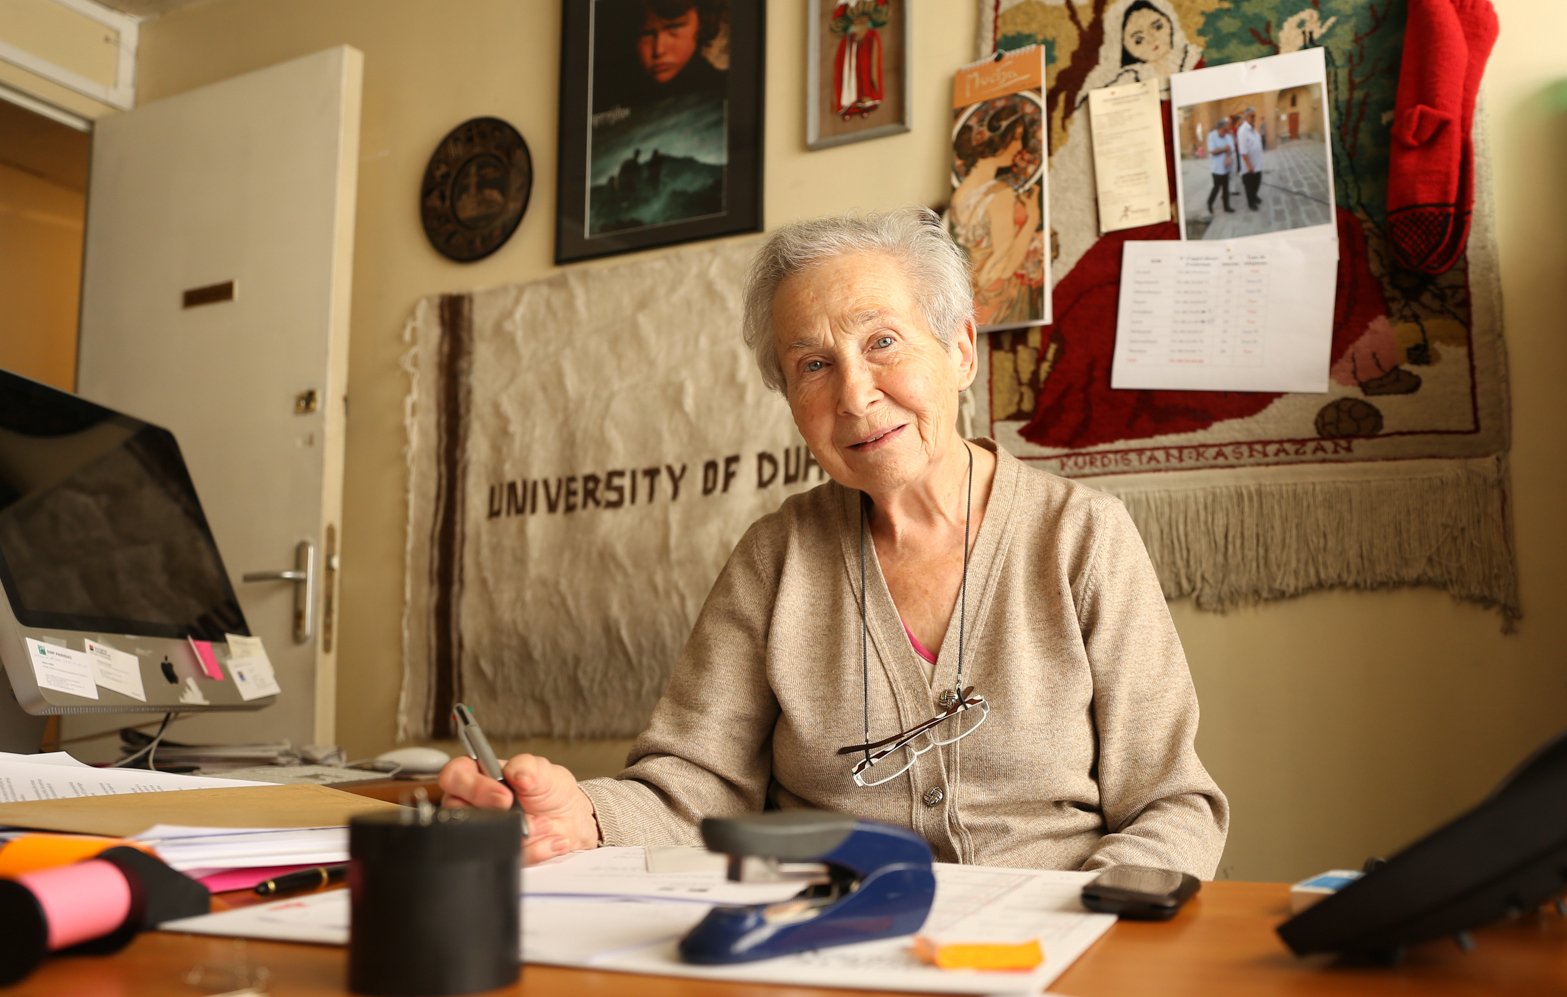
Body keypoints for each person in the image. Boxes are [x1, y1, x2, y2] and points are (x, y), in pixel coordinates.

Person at [439, 209, 1229, 879]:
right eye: (812, 364)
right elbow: (694, 785)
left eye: (882, 341)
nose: (853, 394)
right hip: (823, 939)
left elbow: (1171, 804)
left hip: (1046, 947)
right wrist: (577, 812)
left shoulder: (1081, 536)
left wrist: (1082, 923)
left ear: (958, 349)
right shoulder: (773, 557)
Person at [948, 101, 1045, 328]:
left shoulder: (961, 193)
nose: (1020, 147)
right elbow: (1006, 265)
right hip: (998, 295)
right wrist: (1032, 218)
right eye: (1015, 138)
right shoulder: (1001, 194)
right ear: (997, 141)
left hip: (972, 296)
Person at [592, 0, 727, 113]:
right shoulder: (603, 97)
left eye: (674, 27)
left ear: (702, 23)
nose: (658, 50)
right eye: (645, 34)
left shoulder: (724, 90)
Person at [1237, 106, 1265, 211]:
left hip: (1257, 164)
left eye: (1255, 116)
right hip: (1249, 166)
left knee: (1257, 183)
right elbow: (1243, 151)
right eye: (1252, 116)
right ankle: (1251, 203)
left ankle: (1255, 196)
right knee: (1250, 186)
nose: (1254, 118)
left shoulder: (1253, 128)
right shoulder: (1242, 131)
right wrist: (1249, 165)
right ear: (1246, 116)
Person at [1205, 117, 1235, 213]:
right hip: (1216, 169)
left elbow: (1231, 148)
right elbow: (1213, 151)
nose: (1225, 132)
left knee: (1226, 189)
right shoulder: (1211, 136)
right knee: (1216, 188)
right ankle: (1209, 203)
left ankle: (1226, 207)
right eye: (1224, 130)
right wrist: (1224, 149)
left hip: (1226, 168)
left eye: (1226, 130)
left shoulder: (1228, 136)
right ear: (1219, 128)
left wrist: (1227, 156)